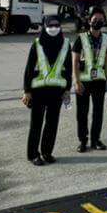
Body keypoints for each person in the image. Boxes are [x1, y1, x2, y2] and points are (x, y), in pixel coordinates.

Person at [22, 14, 72, 166]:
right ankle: (33, 154)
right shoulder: (37, 43)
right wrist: (27, 91)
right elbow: (29, 68)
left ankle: (47, 152)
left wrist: (68, 89)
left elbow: (68, 68)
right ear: (44, 26)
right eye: (50, 25)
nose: (53, 28)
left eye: (56, 25)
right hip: (38, 91)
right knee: (36, 124)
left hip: (57, 91)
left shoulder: (65, 43)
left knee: (52, 123)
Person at [70, 11, 107, 152]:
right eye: (95, 19)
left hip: (99, 80)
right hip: (84, 81)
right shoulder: (80, 38)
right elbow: (75, 61)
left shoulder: (105, 39)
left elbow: (106, 60)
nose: (98, 21)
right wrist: (76, 81)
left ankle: (95, 139)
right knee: (82, 113)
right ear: (89, 21)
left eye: (101, 19)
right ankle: (83, 140)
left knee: (98, 112)